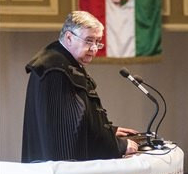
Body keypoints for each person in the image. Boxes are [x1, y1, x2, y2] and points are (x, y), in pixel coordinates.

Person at [22, 11, 138, 162]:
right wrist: (117, 146)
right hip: (62, 171)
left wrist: (108, 131)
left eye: (98, 42)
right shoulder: (56, 70)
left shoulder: (62, 61)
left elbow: (81, 116)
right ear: (69, 37)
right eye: (89, 41)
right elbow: (68, 131)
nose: (94, 48)